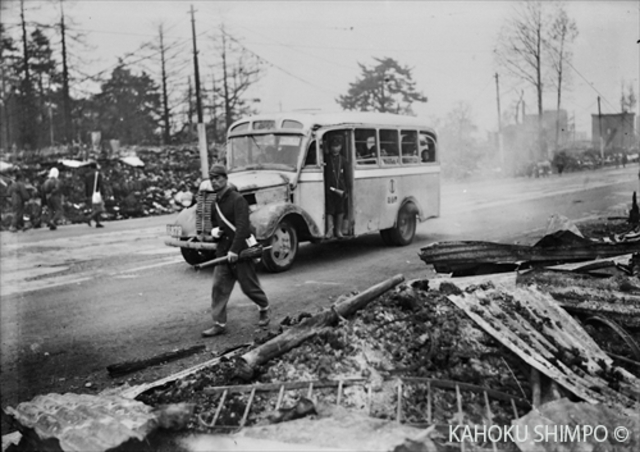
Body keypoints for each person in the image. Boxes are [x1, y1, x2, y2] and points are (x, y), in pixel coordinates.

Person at [201, 163, 270, 337]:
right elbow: (214, 225)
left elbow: (243, 228)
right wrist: (214, 231)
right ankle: (219, 323)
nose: (214, 182)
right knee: (219, 287)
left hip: (240, 251)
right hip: (223, 250)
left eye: (217, 178)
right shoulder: (214, 202)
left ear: (225, 178)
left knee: (249, 287)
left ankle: (264, 307)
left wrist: (234, 250)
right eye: (212, 179)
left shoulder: (237, 199)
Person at [324, 135, 348, 238]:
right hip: (329, 189)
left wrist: (345, 190)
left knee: (340, 210)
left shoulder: (343, 160)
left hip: (341, 189)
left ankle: (338, 230)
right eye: (333, 146)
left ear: (341, 147)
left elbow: (346, 176)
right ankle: (330, 231)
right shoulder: (326, 159)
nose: (335, 148)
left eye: (337, 146)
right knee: (330, 210)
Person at [84, 162, 105, 228]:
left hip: (90, 194)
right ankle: (89, 217)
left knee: (95, 208)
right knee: (101, 209)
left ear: (90, 168)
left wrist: (87, 195)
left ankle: (97, 223)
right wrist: (103, 193)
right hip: (97, 193)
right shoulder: (98, 174)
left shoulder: (87, 175)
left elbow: (86, 186)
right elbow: (101, 184)